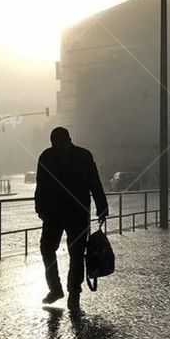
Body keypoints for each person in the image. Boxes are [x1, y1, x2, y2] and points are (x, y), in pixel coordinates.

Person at [34, 127, 108, 311]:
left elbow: (94, 182)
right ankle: (59, 289)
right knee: (48, 249)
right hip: (57, 213)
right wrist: (40, 208)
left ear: (68, 140)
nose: (58, 146)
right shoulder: (48, 156)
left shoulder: (81, 156)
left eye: (61, 143)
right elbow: (41, 185)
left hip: (74, 213)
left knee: (75, 254)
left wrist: (102, 206)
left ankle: (72, 293)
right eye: (56, 143)